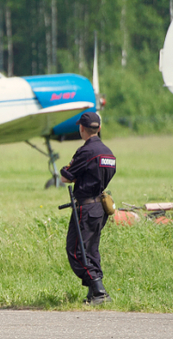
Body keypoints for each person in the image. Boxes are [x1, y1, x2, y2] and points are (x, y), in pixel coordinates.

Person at [60, 111, 117, 305]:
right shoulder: (108, 153)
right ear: (99, 128)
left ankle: (99, 291)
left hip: (85, 208)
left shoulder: (86, 151)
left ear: (81, 128)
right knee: (91, 250)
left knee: (76, 250)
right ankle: (94, 294)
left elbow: (66, 176)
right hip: (100, 207)